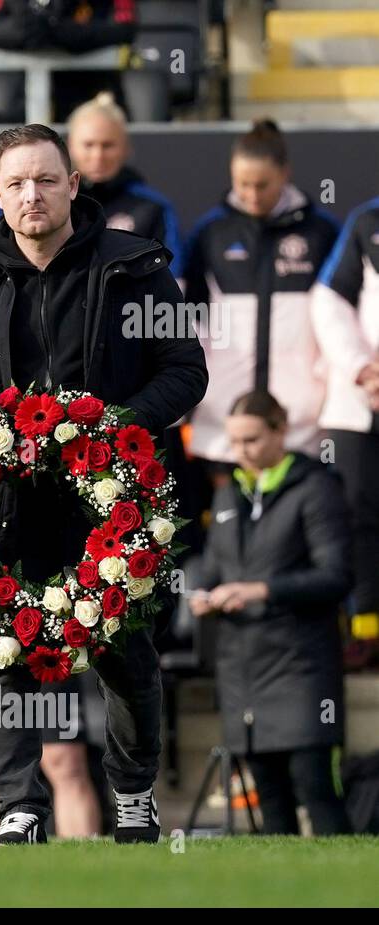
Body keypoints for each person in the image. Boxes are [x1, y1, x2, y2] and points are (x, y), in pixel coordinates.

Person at [0, 124, 208, 844]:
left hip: (112, 503)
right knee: (5, 651)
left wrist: (111, 427)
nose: (32, 195)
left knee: (126, 655)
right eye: (17, 183)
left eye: (47, 180)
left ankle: (135, 797)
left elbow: (185, 370)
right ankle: (20, 809)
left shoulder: (135, 268)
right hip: (14, 502)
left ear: (74, 186)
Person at [188, 390, 352, 836]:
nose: (241, 452)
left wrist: (262, 590)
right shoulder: (227, 497)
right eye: (234, 442)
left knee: (314, 786)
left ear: (281, 431)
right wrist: (206, 595)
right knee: (269, 798)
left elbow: (337, 576)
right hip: (242, 666)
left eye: (252, 440)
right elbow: (217, 569)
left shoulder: (317, 487)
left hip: (302, 664)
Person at [181, 120, 339, 469]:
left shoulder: (321, 232)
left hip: (302, 423)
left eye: (262, 185)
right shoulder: (211, 233)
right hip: (223, 423)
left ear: (285, 174)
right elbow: (186, 323)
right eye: (243, 184)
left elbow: (336, 320)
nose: (252, 195)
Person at [311, 194, 379, 667]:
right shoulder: (367, 221)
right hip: (359, 408)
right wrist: (363, 371)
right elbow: (329, 301)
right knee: (356, 518)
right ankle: (364, 628)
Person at [66, 92, 180, 266]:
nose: (98, 156)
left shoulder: (152, 207)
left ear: (126, 147)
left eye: (108, 145)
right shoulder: (56, 202)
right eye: (88, 145)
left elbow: (172, 278)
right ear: (70, 146)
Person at [0, 0, 137, 53]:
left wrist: (57, 30)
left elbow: (125, 29)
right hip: (23, 96)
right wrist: (23, 29)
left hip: (90, 90)